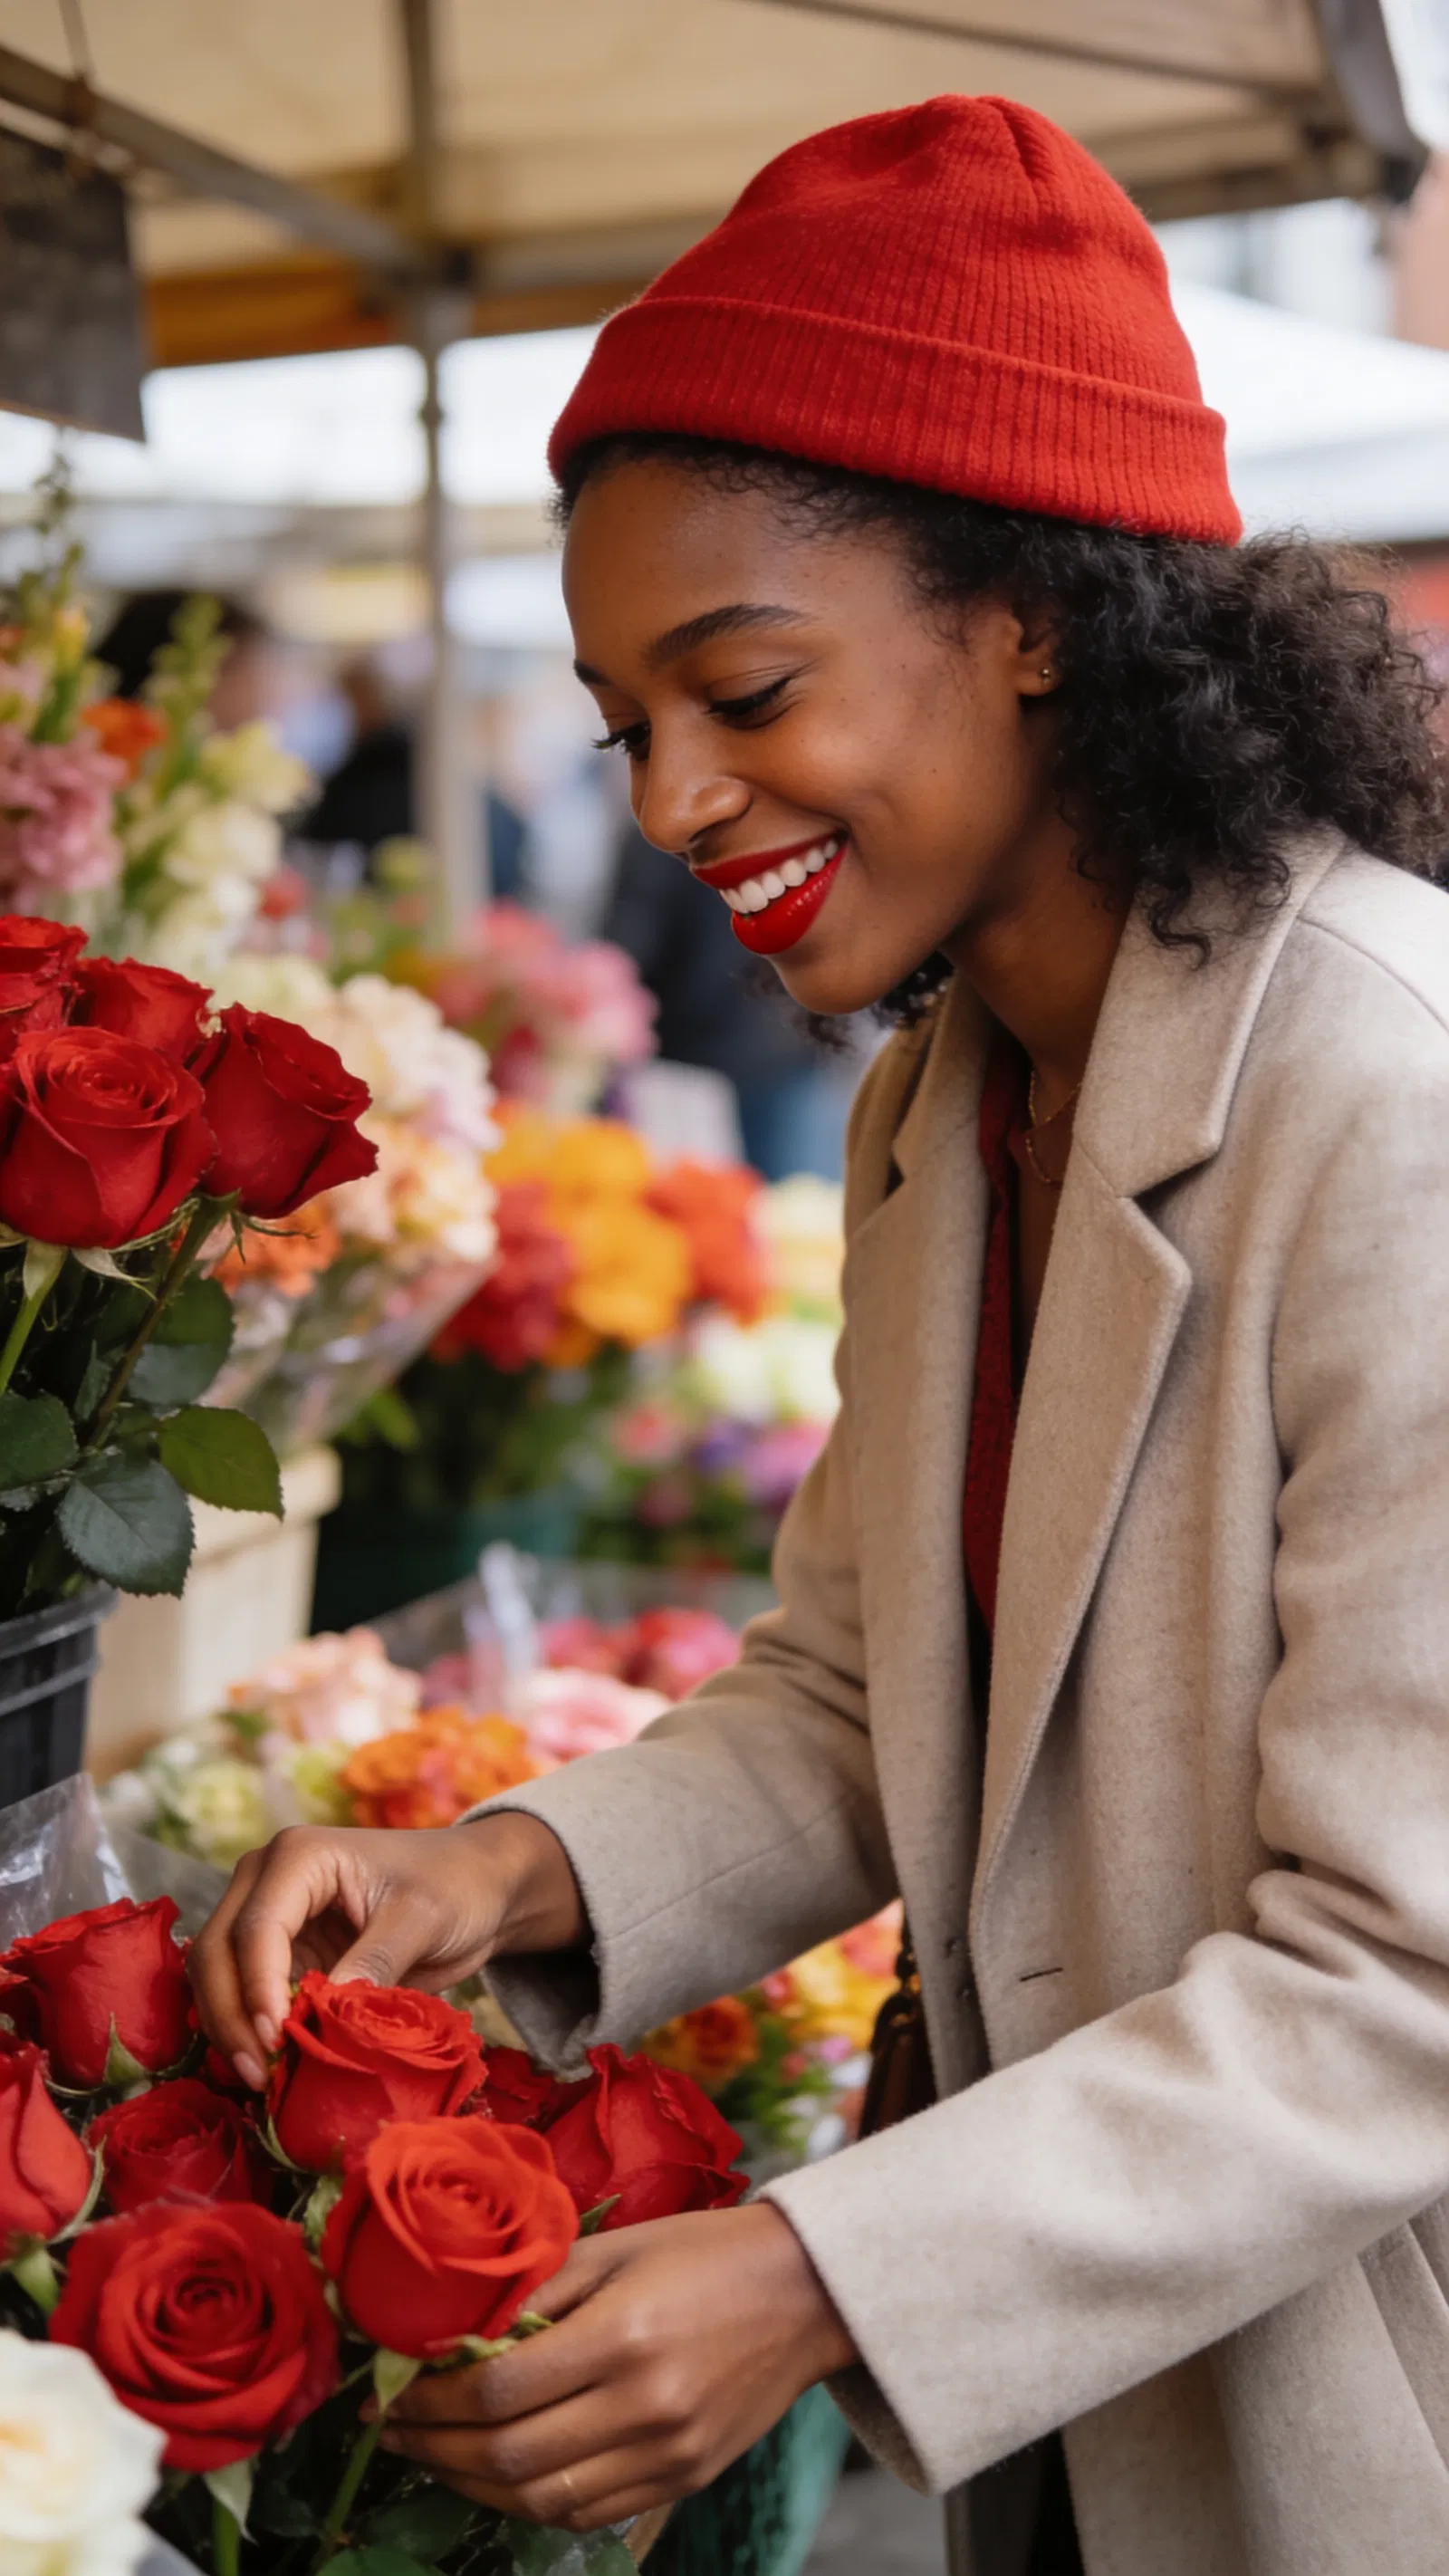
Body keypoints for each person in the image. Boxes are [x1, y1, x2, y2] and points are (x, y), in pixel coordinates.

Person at [191, 95, 1449, 2576]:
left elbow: (1406, 1968)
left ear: (1038, 616)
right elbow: (872, 1695)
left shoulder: (1385, 1100)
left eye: (742, 684)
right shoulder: (950, 1099)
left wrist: (816, 2269)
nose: (668, 791)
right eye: (619, 716)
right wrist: (504, 1868)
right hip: (1091, 2423)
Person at [603, 816, 863, 1178]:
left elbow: (628, 947)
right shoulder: (798, 816)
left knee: (735, 1205)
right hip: (764, 1046)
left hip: (720, 1054)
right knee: (769, 1205)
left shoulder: (667, 826)